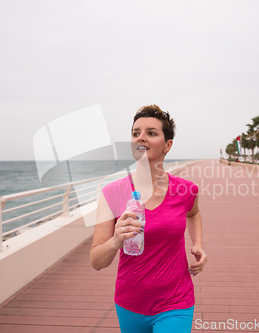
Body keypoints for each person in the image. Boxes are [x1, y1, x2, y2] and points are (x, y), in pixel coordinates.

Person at [90, 105, 207, 333]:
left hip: (176, 300)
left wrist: (198, 243)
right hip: (130, 303)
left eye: (151, 133)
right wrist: (115, 240)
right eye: (136, 133)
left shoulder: (186, 190)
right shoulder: (111, 193)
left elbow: (193, 213)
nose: (140, 138)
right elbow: (96, 262)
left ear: (168, 145)